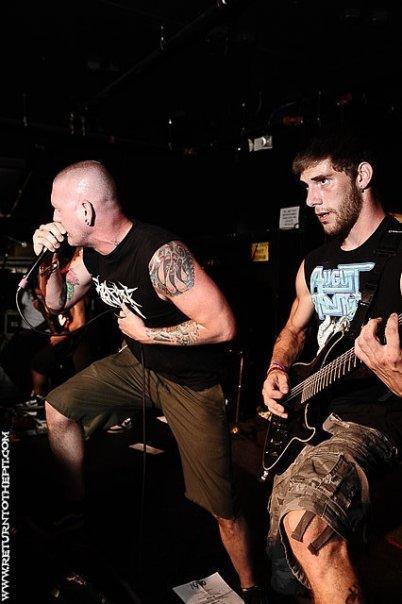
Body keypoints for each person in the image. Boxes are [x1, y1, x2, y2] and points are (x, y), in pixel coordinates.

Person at [32, 160, 265, 603]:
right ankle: (76, 508)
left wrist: (149, 334)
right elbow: (57, 304)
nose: (54, 218)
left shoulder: (160, 254)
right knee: (58, 406)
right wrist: (49, 260)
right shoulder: (91, 254)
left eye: (58, 209)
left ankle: (253, 587)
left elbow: (223, 326)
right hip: (137, 364)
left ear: (85, 211)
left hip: (189, 383)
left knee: (220, 505)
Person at [262, 129, 402, 603]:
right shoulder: (313, 263)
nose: (311, 200)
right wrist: (277, 369)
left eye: (323, 182)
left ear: (362, 176)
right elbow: (294, 330)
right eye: (306, 187)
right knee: (285, 561)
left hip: (373, 420)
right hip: (312, 414)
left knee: (308, 526)